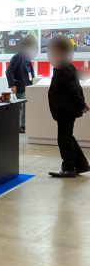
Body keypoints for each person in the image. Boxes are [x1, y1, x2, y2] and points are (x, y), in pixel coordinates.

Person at [47, 35, 89, 178]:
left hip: (65, 110)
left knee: (64, 139)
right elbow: (75, 88)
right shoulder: (67, 65)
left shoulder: (62, 67)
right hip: (67, 109)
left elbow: (72, 89)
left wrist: (81, 104)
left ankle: (69, 167)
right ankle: (81, 164)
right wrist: (82, 104)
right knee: (68, 137)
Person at [6, 35, 37, 133]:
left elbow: (30, 71)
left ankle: (23, 125)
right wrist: (12, 85)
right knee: (19, 107)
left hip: (28, 85)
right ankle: (17, 126)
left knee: (25, 107)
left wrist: (33, 82)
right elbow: (9, 71)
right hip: (19, 86)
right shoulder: (17, 57)